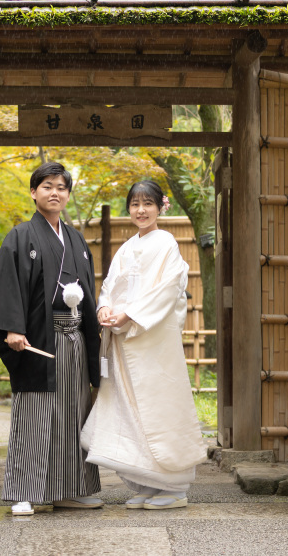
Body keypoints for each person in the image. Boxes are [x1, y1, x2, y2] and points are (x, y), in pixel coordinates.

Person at [0, 162, 103, 516]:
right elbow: (8, 286)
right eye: (47, 186)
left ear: (67, 194)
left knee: (73, 413)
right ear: (34, 192)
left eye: (61, 187)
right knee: (35, 411)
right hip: (38, 340)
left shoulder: (76, 239)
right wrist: (12, 329)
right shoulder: (20, 237)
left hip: (74, 340)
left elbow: (89, 293)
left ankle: (69, 489)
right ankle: (23, 490)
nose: (55, 192)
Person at [81, 180, 207, 510]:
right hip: (124, 342)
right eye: (135, 204)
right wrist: (104, 308)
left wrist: (130, 314)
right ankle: (146, 484)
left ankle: (174, 487)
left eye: (147, 203)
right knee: (126, 407)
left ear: (161, 206)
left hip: (152, 342)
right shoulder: (126, 247)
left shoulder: (166, 243)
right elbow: (108, 286)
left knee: (157, 408)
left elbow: (166, 290)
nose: (140, 210)